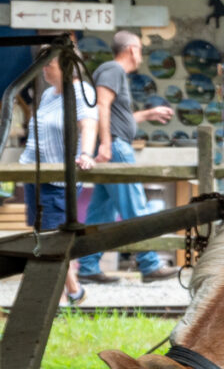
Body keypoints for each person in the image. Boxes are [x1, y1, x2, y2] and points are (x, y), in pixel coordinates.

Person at [77, 30, 178, 284]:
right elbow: (102, 105)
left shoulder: (111, 71)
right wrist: (107, 144)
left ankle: (87, 267)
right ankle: (150, 264)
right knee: (136, 206)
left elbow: (118, 116)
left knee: (101, 213)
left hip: (116, 145)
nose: (141, 55)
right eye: (141, 50)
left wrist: (148, 114)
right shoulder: (113, 69)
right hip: (117, 149)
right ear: (132, 49)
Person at [18, 49, 98, 304]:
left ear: (65, 67)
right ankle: (74, 291)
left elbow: (88, 122)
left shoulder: (80, 91)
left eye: (48, 64)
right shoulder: (48, 94)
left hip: (57, 179)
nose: (44, 68)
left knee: (53, 238)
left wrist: (86, 153)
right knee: (44, 234)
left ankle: (65, 296)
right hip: (36, 174)